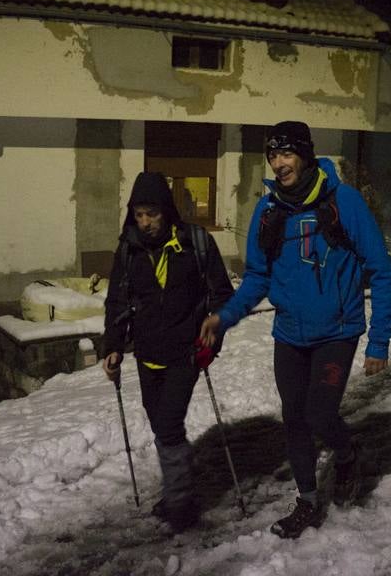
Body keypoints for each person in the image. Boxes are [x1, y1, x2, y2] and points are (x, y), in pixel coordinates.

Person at [199, 121, 391, 539]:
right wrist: (224, 317)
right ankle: (306, 501)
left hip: (337, 331)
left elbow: (380, 270)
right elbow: (256, 277)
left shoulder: (344, 201)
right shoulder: (269, 210)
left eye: (286, 153)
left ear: (305, 154)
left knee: (319, 413)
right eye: (273, 155)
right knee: (294, 419)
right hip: (289, 332)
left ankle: (346, 452)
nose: (279, 163)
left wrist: (379, 338)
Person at [101, 172, 235, 532]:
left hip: (186, 352)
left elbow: (222, 294)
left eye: (152, 214)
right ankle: (180, 485)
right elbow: (117, 300)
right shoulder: (129, 249)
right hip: (147, 353)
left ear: (166, 211)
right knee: (161, 424)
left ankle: (179, 502)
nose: (145, 222)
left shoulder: (195, 243)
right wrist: (113, 346)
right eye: (139, 215)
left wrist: (213, 335)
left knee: (169, 424)